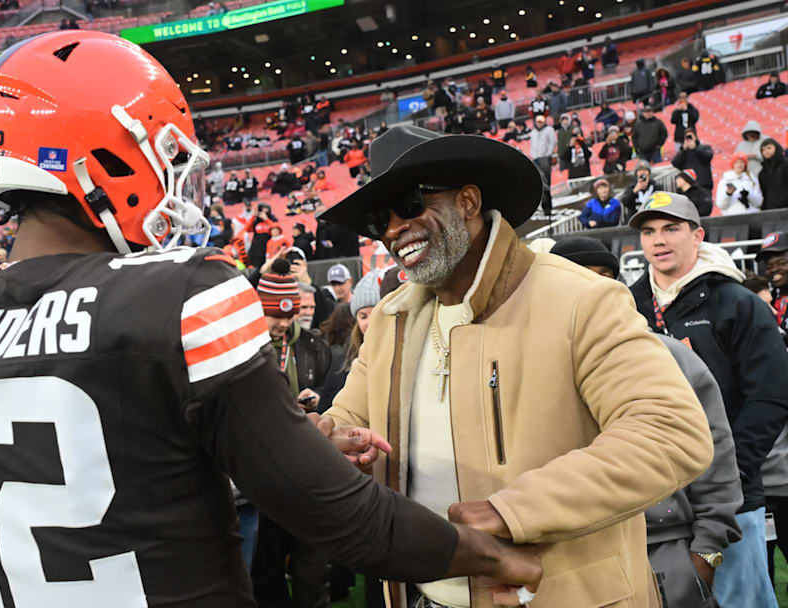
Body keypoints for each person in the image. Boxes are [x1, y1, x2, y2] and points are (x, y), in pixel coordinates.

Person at [0, 31, 544, 608]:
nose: (173, 183)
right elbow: (337, 517)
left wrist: (274, 444)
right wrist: (485, 557)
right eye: (167, 158)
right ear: (106, 155)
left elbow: (77, 453)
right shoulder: (180, 294)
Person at [317, 127, 714, 608]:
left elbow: (671, 432)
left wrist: (514, 512)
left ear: (467, 201)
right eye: (379, 219)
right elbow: (349, 418)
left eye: (407, 204)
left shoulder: (581, 298)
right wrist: (332, 439)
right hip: (421, 597)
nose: (394, 229)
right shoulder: (389, 319)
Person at [553, 238, 745, 608]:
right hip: (568, 559)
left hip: (666, 554)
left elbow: (717, 456)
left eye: (604, 278)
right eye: (576, 278)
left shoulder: (669, 355)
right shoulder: (525, 367)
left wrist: (707, 555)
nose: (592, 289)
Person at [628, 193, 788, 608]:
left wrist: (730, 474)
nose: (658, 240)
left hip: (729, 499)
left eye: (671, 228)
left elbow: (770, 397)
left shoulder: (737, 303)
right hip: (654, 502)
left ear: (697, 235)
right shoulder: (625, 306)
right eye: (648, 231)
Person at [250, 263, 334, 608]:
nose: (283, 324)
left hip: (308, 473)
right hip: (264, 477)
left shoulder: (314, 345)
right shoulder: (245, 346)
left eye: (289, 316)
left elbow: (334, 390)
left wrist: (321, 400)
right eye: (274, 316)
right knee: (265, 569)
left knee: (312, 566)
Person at [528, 115, 555, 215]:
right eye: (538, 121)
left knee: (546, 183)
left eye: (541, 121)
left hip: (544, 158)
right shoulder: (533, 131)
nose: (539, 123)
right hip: (536, 158)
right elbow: (532, 144)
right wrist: (533, 155)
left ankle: (548, 206)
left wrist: (548, 154)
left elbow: (552, 142)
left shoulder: (549, 130)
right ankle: (545, 206)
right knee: (541, 183)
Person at [759, 138, 788, 210]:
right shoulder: (762, 172)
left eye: (769, 148)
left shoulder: (786, 164)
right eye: (763, 149)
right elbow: (764, 194)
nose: (766, 151)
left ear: (776, 148)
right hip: (770, 212)